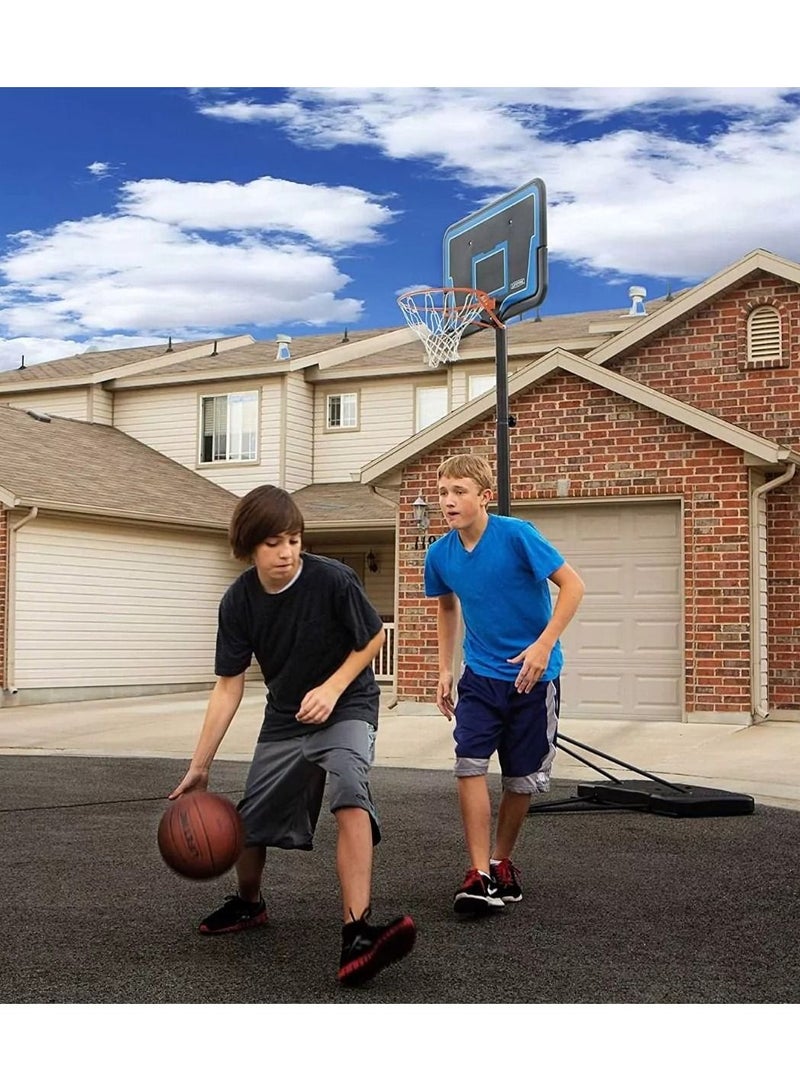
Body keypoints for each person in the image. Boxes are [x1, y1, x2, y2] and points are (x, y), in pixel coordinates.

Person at [169, 484, 416, 987]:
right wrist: (200, 763)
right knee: (248, 822)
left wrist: (332, 686)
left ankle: (358, 934)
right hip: (285, 716)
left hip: (347, 704)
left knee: (351, 791)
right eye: (273, 544)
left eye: (294, 541)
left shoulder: (333, 580)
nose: (286, 553)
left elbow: (372, 637)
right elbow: (228, 686)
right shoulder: (238, 602)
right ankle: (248, 903)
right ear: (248, 547)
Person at [424, 454, 585, 914]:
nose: (449, 501)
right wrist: (444, 668)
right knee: (468, 763)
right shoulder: (441, 554)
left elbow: (573, 586)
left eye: (459, 492)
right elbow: (447, 607)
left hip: (534, 678)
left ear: (484, 497)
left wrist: (542, 645)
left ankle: (500, 862)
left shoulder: (517, 536)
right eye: (443, 493)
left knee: (521, 779)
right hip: (481, 677)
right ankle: (477, 874)